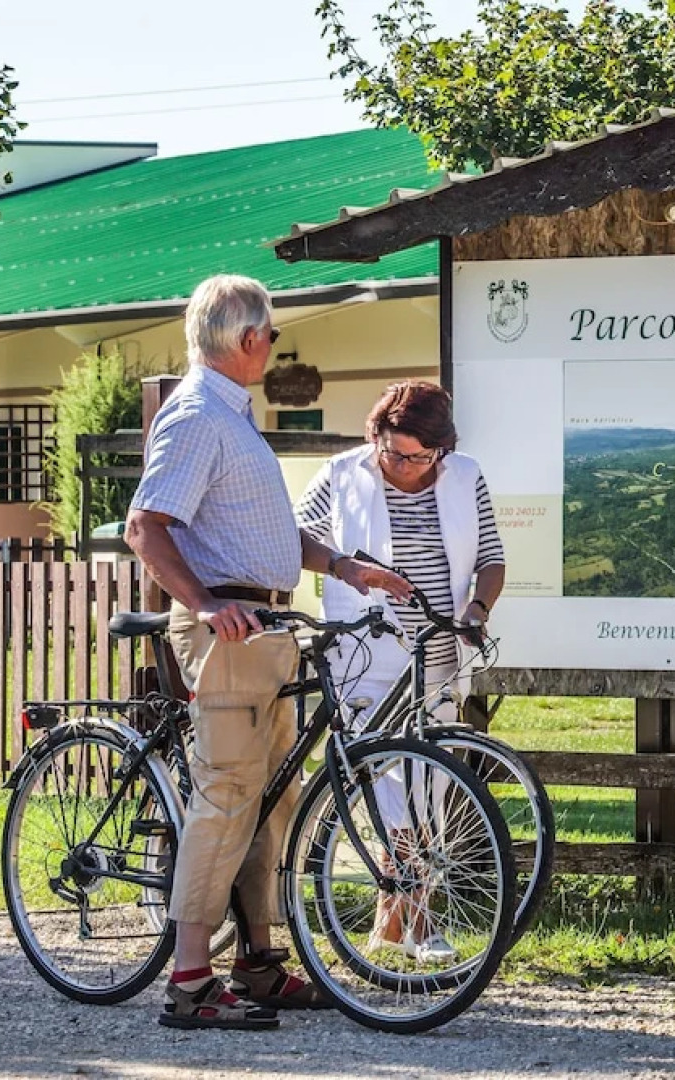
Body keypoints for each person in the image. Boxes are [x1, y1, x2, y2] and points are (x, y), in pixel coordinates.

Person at [125, 274, 411, 1031]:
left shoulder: (231, 416)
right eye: (274, 334)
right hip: (230, 628)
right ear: (250, 340)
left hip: (265, 625)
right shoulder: (195, 416)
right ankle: (189, 980)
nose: (274, 345)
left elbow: (265, 533)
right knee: (225, 797)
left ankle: (257, 962)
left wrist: (343, 566)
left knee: (272, 795)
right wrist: (205, 603)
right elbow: (145, 527)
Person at [294, 379, 505, 957]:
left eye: (417, 456)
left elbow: (490, 557)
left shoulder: (465, 476)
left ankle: (393, 922)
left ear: (442, 448)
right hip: (369, 652)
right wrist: (343, 569)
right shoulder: (342, 474)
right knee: (391, 783)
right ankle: (420, 923)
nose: (404, 466)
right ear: (376, 438)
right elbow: (297, 538)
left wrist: (476, 608)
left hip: (438, 652)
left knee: (429, 785)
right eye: (392, 452)